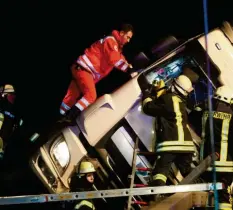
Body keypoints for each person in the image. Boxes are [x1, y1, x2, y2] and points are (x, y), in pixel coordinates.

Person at [60, 23, 136, 123]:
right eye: (128, 37)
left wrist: (129, 66)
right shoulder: (111, 41)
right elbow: (115, 60)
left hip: (81, 69)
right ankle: (70, 117)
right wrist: (129, 70)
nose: (128, 41)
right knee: (91, 95)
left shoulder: (114, 45)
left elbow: (120, 57)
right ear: (122, 33)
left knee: (69, 100)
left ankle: (60, 118)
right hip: (84, 70)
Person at [141, 75, 195, 197]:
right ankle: (205, 187)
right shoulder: (182, 103)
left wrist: (147, 93)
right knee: (188, 171)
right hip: (186, 146)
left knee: (160, 171)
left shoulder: (167, 99)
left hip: (170, 144)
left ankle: (156, 197)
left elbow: (148, 108)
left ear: (174, 86)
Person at [201, 85, 233, 210]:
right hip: (225, 165)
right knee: (223, 196)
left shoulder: (205, 112)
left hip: (206, 162)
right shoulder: (231, 117)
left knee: (207, 195)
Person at [0, 84, 23, 159]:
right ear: (6, 95)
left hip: (5, 143)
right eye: (12, 94)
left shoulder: (16, 111)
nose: (14, 96)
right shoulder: (2, 106)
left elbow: (17, 126)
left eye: (14, 94)